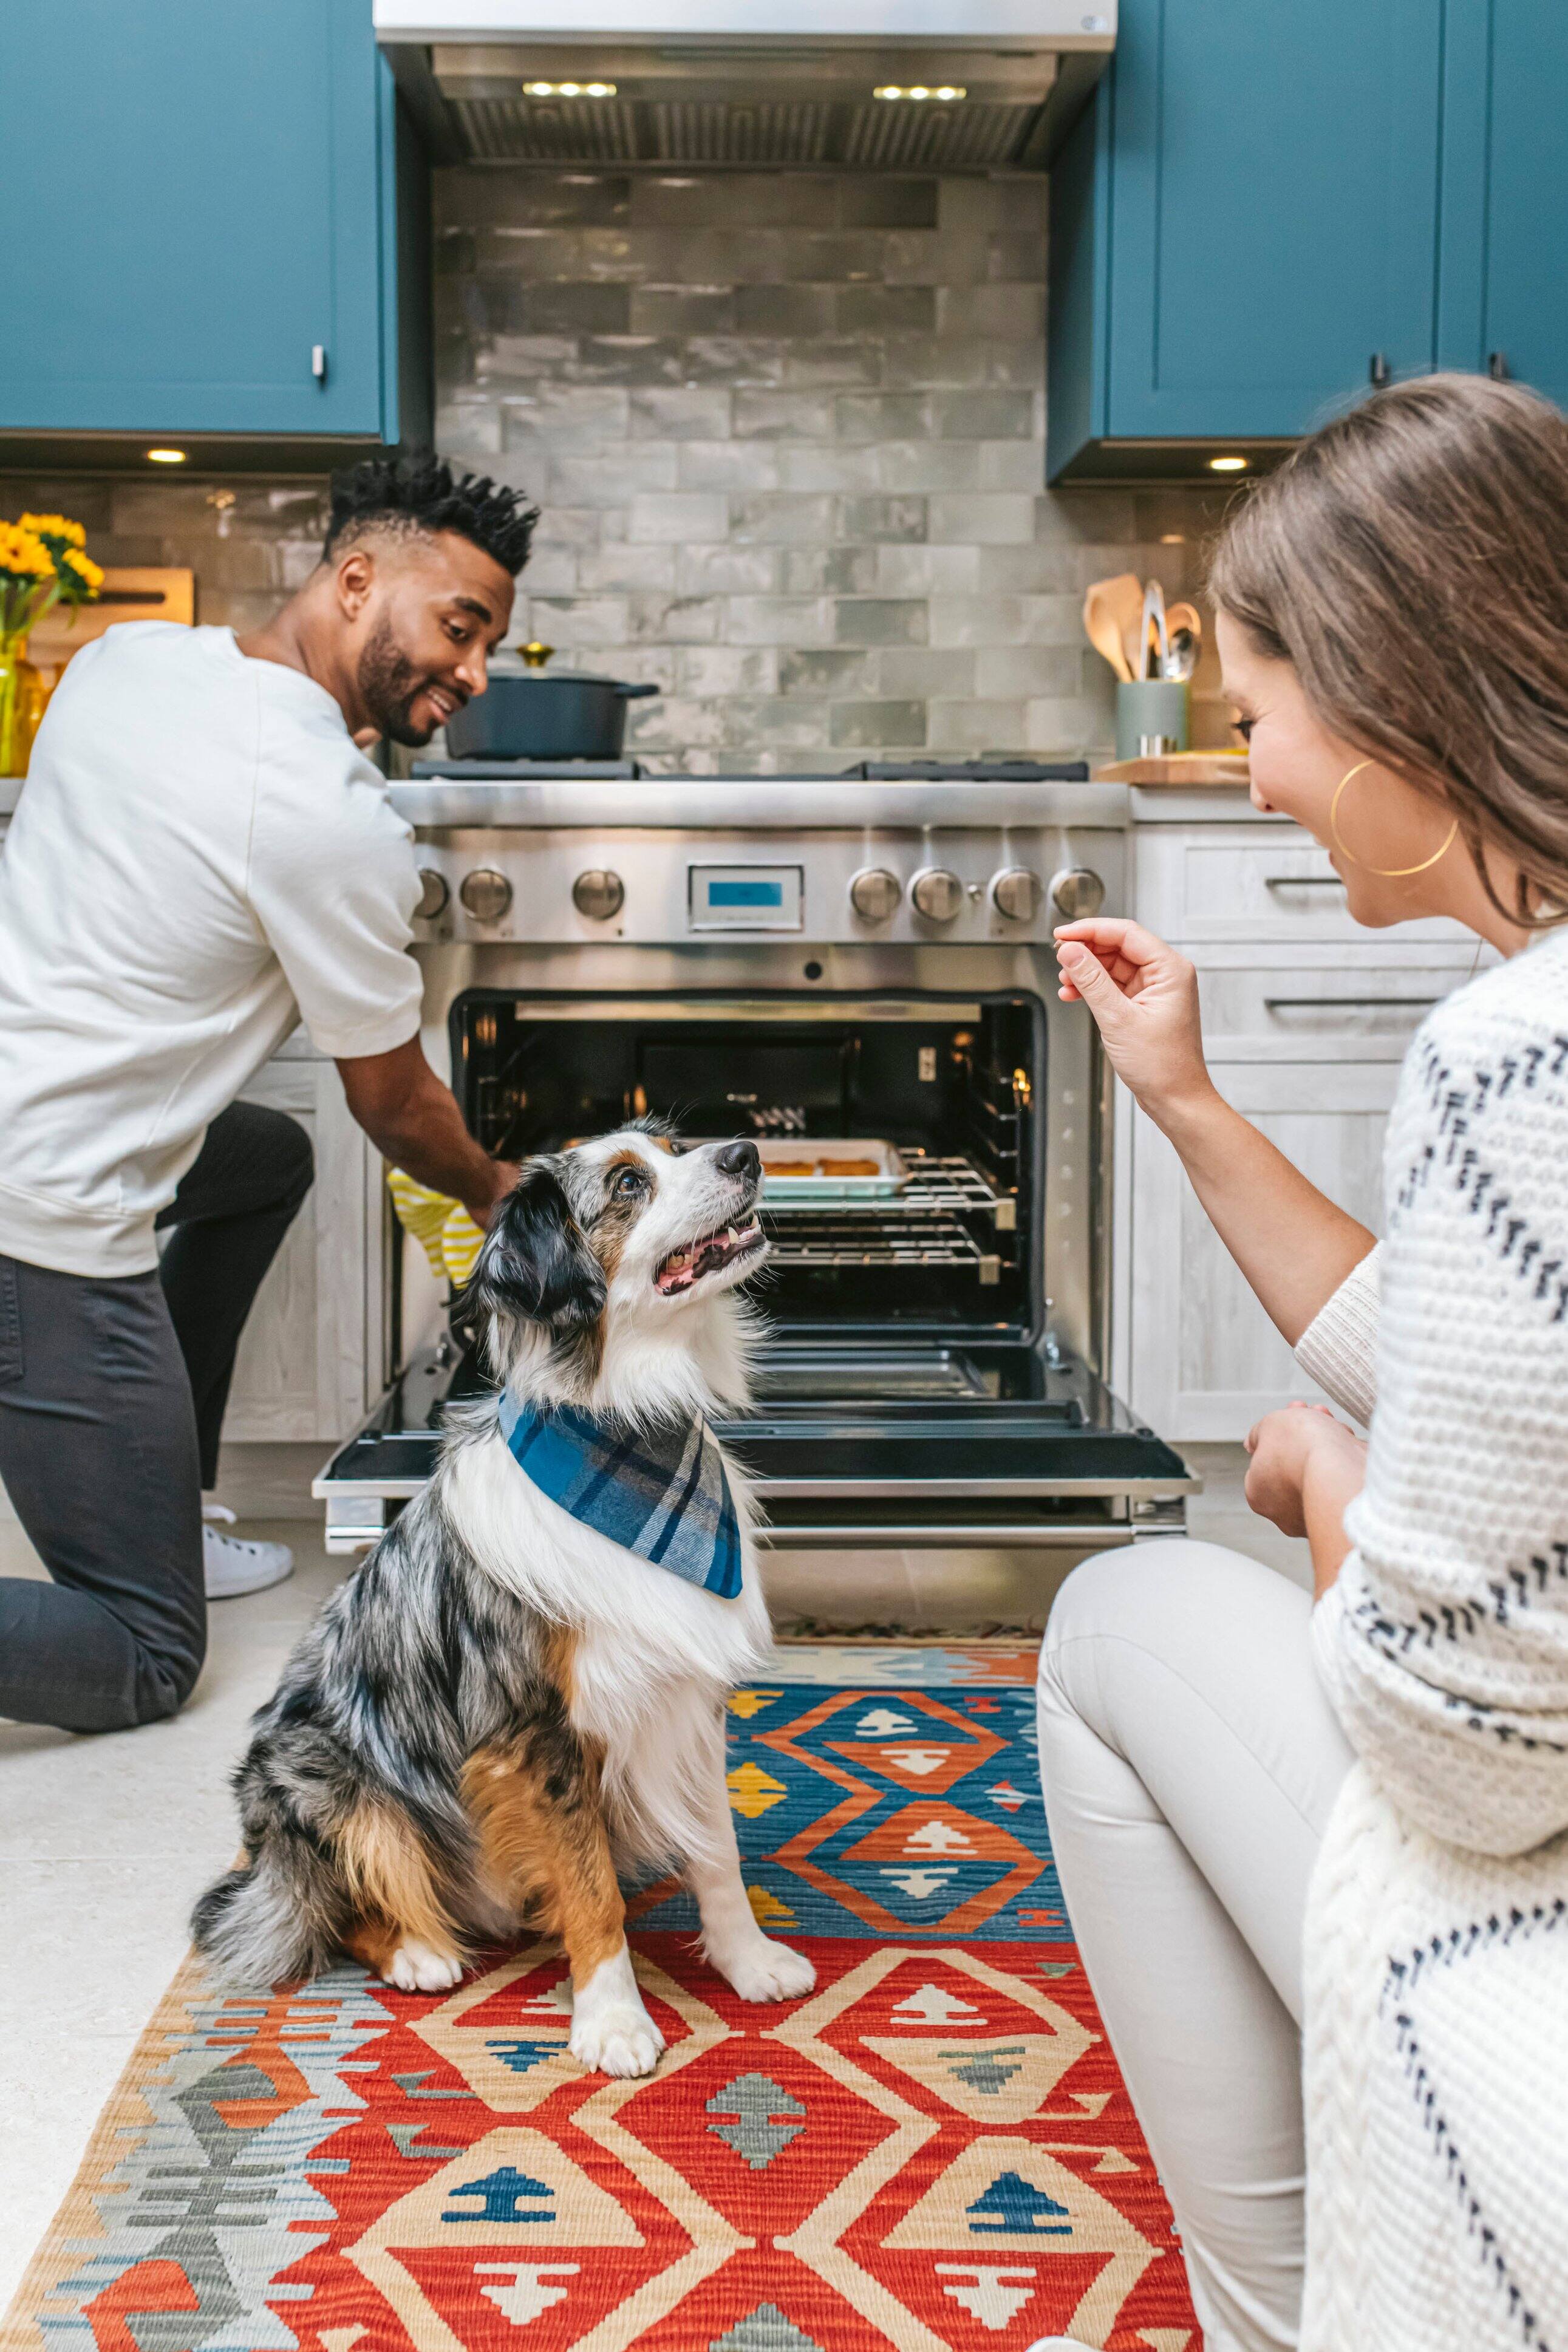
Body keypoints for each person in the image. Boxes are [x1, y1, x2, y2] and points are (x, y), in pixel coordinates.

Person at [1035, 375, 1568, 2352]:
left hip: (1538, 1987)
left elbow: (1467, 1749)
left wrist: (1328, 1490)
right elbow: (1474, 1358)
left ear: (1401, 703)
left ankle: (1300, 2317)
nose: (1245, 776)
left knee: (1115, 1619)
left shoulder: (1521, 1056)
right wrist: (1182, 1100)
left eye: (1256, 716)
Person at [0, 454, 534, 1736]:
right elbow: (396, 1102)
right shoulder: (317, 810)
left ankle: (161, 1489)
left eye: (488, 646)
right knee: (144, 1652)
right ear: (356, 581)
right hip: (41, 1217)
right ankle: (146, 1546)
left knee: (259, 1154)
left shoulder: (127, 661)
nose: (470, 671)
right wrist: (502, 1187)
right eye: (458, 627)